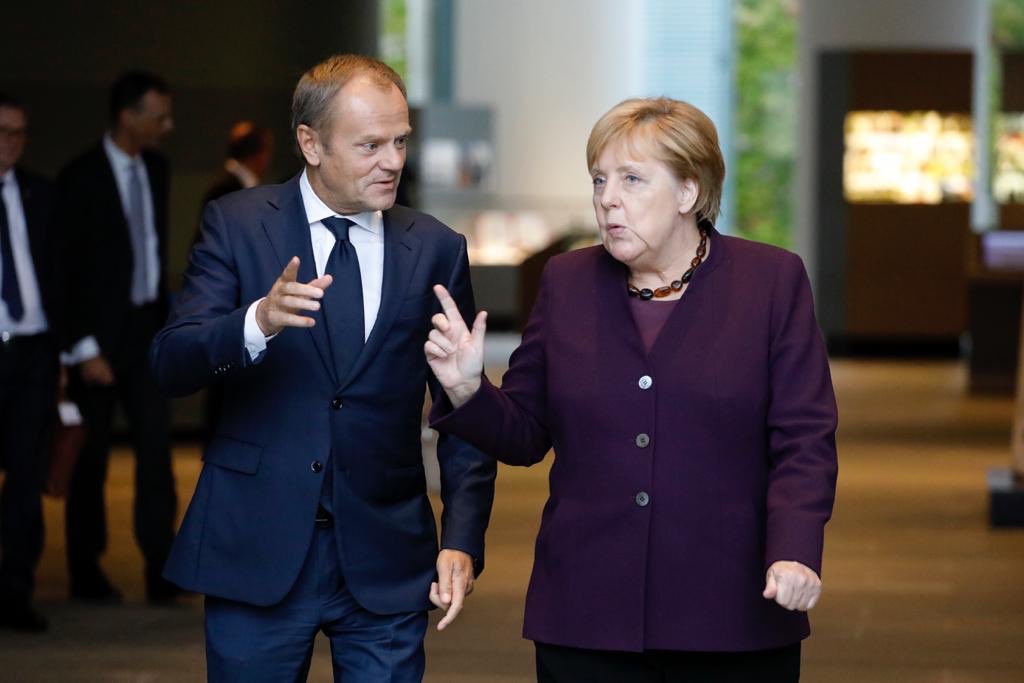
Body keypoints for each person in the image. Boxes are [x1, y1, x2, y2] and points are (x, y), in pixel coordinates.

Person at [425, 97, 838, 683]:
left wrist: (795, 548)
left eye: (631, 180)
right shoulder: (567, 281)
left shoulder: (770, 281)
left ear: (689, 191)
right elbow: (525, 435)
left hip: (730, 611)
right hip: (587, 613)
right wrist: (469, 390)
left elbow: (804, 439)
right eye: (599, 179)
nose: (607, 199)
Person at [150, 54, 496, 682]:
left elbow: (460, 403)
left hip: (387, 553)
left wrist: (462, 537)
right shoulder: (237, 224)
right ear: (310, 143)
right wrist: (256, 321)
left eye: (400, 142)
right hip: (258, 542)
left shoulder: (435, 248)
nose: (392, 161)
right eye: (370, 145)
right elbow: (171, 362)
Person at [57, 71, 178, 603]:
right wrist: (83, 347)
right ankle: (86, 569)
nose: (167, 127)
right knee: (92, 460)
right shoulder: (79, 177)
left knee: (156, 454)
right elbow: (64, 270)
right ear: (128, 116)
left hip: (148, 330)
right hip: (98, 340)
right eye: (159, 117)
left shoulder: (158, 169)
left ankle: (161, 567)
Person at [0, 94, 61, 632]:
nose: (11, 142)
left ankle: (15, 592)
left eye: (19, 132)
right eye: (3, 130)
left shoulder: (41, 193)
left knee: (25, 477)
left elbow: (65, 272)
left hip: (34, 352)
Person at [194, 121, 274, 443]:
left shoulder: (234, 186)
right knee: (226, 389)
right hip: (233, 306)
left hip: (244, 308)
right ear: (259, 154)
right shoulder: (227, 191)